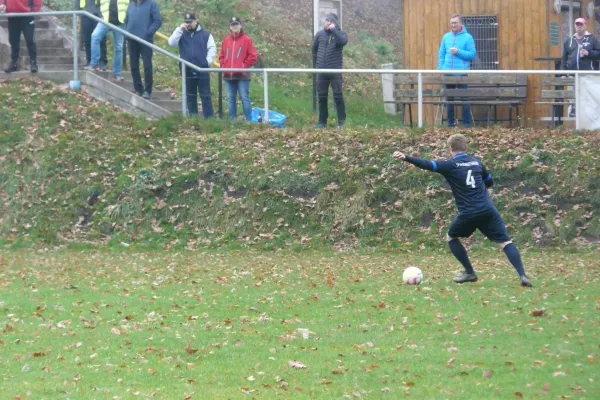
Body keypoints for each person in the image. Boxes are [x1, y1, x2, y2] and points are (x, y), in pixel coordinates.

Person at [393, 134, 532, 287]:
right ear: (466, 148)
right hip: (488, 210)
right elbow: (490, 182)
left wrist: (406, 157)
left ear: (451, 149)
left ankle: (470, 272)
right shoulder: (477, 163)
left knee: (451, 237)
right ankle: (523, 275)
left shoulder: (451, 166)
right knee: (506, 242)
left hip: (469, 213)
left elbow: (428, 164)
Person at [168, 13, 216, 119]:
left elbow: (212, 49)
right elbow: (171, 43)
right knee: (190, 96)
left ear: (196, 21)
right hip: (187, 69)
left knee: (205, 95)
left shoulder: (206, 34)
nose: (188, 24)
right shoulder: (181, 33)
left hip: (202, 69)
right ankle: (193, 118)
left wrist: (206, 62)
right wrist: (179, 29)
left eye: (190, 22)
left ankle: (209, 119)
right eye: (186, 22)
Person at [438, 14, 476, 128]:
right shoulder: (446, 37)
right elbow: (441, 54)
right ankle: (450, 124)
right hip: (447, 73)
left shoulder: (468, 37)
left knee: (464, 98)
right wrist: (440, 69)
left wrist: (458, 52)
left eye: (455, 22)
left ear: (461, 24)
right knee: (449, 98)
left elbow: (472, 55)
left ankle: (466, 124)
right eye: (452, 23)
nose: (453, 25)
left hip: (461, 73)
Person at [312, 13, 348, 129]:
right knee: (322, 97)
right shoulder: (320, 34)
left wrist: (334, 31)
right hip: (322, 71)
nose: (327, 22)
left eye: (330, 21)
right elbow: (314, 49)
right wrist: (317, 64)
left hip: (335, 71)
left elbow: (343, 42)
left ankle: (342, 122)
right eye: (326, 20)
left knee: (338, 96)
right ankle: (322, 122)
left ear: (334, 22)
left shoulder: (340, 34)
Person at [219, 16, 258, 121]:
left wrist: (243, 67)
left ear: (240, 26)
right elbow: (221, 56)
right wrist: (223, 66)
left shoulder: (248, 40)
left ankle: (248, 120)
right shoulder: (226, 41)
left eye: (236, 24)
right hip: (228, 75)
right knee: (231, 99)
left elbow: (253, 56)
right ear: (230, 27)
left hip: (243, 75)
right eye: (233, 25)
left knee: (245, 98)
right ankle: (233, 121)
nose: (235, 26)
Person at [561, 18, 600, 117]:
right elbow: (564, 58)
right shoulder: (568, 41)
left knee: (589, 96)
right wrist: (563, 73)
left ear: (585, 26)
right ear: (574, 26)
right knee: (573, 96)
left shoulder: (592, 39)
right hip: (572, 75)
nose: (579, 26)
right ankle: (573, 113)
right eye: (577, 24)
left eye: (581, 24)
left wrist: (589, 53)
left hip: (589, 74)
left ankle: (591, 117)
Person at [125, 0, 162, 99]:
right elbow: (127, 19)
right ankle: (138, 88)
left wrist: (148, 33)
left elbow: (158, 21)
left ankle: (148, 90)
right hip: (132, 39)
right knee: (133, 65)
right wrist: (126, 31)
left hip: (145, 40)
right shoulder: (131, 3)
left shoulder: (152, 4)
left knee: (147, 65)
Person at [84, 0, 129, 82]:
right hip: (106, 20)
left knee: (119, 48)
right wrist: (101, 15)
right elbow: (98, 4)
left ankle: (117, 74)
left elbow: (130, 7)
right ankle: (94, 63)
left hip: (120, 22)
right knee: (95, 36)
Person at [0, 0, 41, 73]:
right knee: (13, 41)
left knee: (30, 40)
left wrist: (32, 11)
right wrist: (2, 5)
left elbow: (38, 2)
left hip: (27, 16)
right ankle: (14, 63)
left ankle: (33, 63)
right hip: (12, 16)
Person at [78, 0, 108, 71]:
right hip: (86, 13)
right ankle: (89, 61)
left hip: (100, 14)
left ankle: (102, 62)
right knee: (87, 39)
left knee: (101, 39)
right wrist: (78, 11)